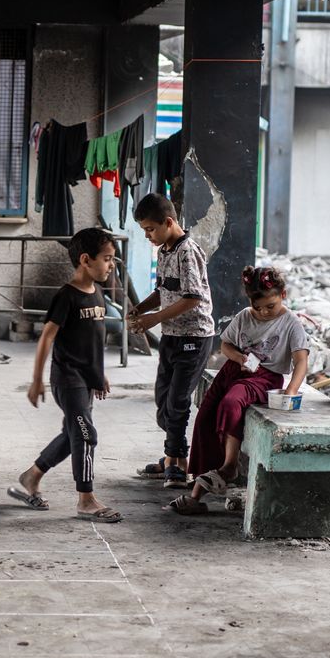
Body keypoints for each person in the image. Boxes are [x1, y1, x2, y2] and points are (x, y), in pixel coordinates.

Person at [166, 265, 309, 514]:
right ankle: (200, 480)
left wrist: (291, 391)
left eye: (270, 306)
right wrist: (240, 359)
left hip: (265, 378)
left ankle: (230, 466)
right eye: (258, 307)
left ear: (283, 295)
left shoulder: (291, 324)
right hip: (232, 371)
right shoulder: (244, 316)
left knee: (231, 403)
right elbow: (226, 346)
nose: (263, 312)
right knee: (205, 417)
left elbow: (301, 361)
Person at [7, 227, 123, 523]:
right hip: (67, 380)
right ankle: (86, 499)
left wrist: (100, 375)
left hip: (86, 381)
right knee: (86, 434)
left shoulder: (97, 293)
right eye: (107, 259)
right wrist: (36, 380)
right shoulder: (66, 297)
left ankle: (31, 476)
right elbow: (47, 337)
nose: (111, 265)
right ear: (86, 259)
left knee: (72, 433)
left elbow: (93, 341)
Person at [126, 193, 217, 490]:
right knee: (163, 403)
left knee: (178, 403)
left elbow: (192, 298)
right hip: (171, 336)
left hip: (194, 337)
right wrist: (141, 308)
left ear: (168, 222)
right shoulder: (164, 250)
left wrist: (153, 319)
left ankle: (177, 464)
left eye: (150, 229)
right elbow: (163, 291)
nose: (147, 236)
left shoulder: (187, 252)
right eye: (144, 231)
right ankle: (172, 458)